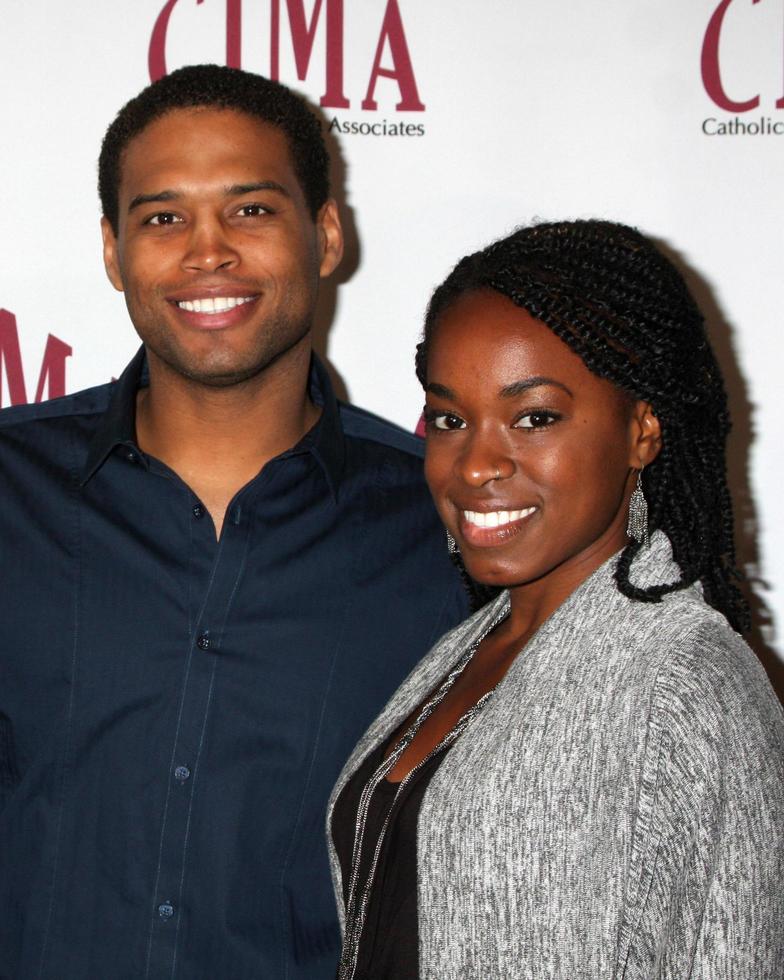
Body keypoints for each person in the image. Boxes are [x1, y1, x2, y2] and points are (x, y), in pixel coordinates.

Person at [0, 65, 468, 980]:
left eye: (250, 210)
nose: (206, 251)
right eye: (162, 217)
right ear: (112, 249)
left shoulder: (444, 523)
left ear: (325, 234)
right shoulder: (8, 487)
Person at [328, 220, 784, 979]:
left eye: (535, 417)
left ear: (642, 429)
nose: (475, 464)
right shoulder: (468, 647)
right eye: (449, 418)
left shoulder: (683, 679)